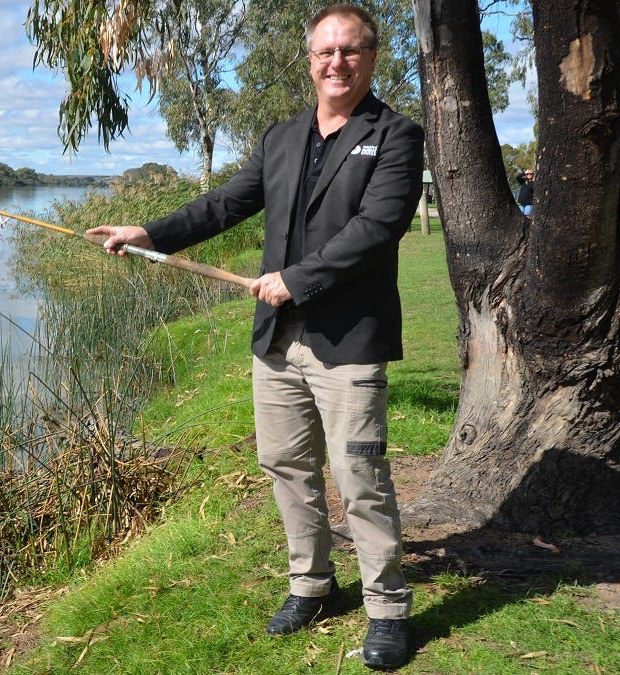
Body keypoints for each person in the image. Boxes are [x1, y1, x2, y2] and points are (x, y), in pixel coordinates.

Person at [88, 4, 423, 671]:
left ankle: (386, 607)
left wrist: (296, 278)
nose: (336, 62)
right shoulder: (282, 136)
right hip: (276, 340)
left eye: (350, 50)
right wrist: (148, 232)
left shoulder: (395, 136)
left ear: (372, 56)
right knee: (287, 467)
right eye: (325, 51)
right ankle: (313, 584)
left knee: (359, 475)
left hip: (348, 340)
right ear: (310, 60)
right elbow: (225, 203)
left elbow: (377, 229)